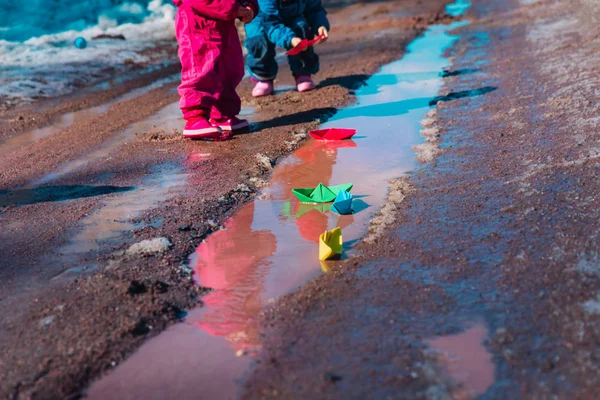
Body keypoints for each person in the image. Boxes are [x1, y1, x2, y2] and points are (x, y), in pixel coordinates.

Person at [172, 0, 258, 140]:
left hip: (224, 23)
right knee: (200, 69)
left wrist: (249, 6)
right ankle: (195, 117)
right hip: (197, 22)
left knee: (229, 69)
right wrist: (234, 8)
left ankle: (222, 114)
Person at [244, 0, 330, 97]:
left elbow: (314, 9)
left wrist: (320, 25)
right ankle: (263, 77)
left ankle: (302, 72)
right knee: (258, 40)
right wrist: (290, 39)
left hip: (293, 14)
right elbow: (271, 23)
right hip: (261, 17)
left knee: (301, 28)